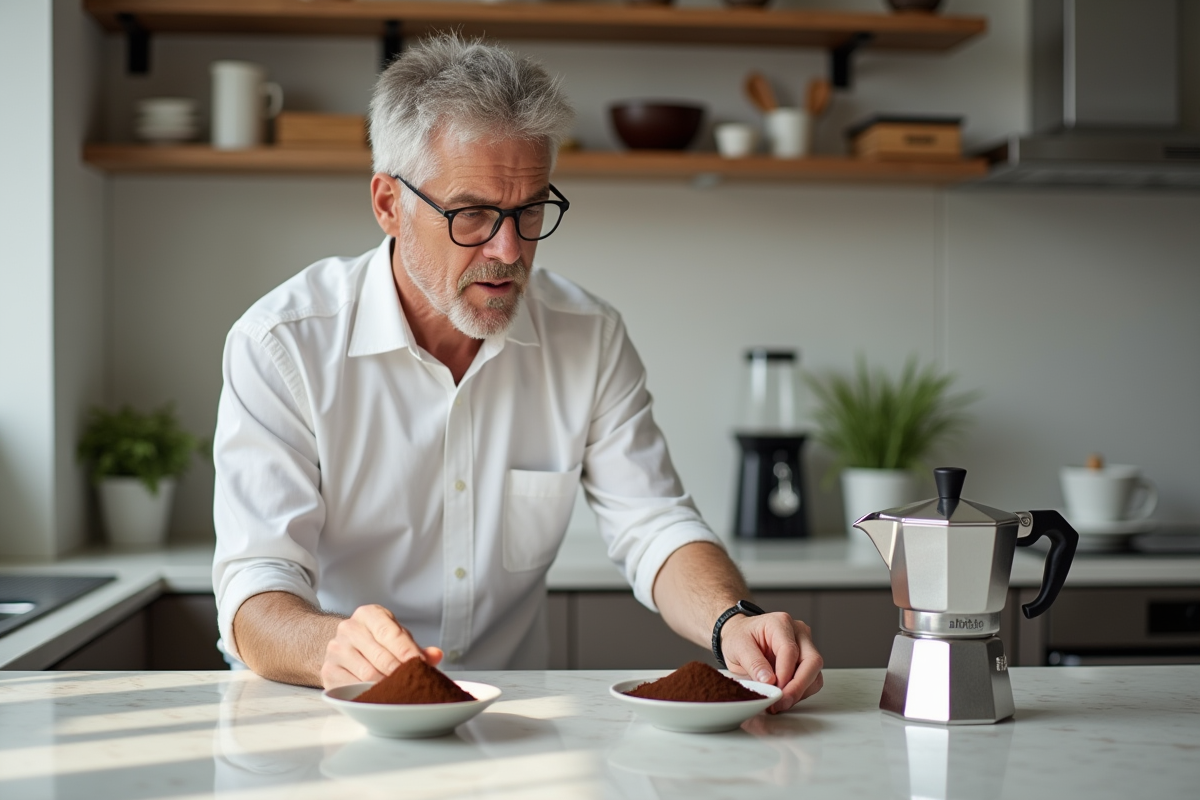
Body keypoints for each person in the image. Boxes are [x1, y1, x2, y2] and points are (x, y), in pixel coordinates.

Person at [211, 34, 823, 712]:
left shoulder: (588, 337)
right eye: (472, 213)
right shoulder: (283, 345)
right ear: (388, 204)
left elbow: (653, 523)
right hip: (323, 708)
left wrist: (732, 619)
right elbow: (254, 587)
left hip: (512, 716)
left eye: (530, 210)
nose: (508, 250)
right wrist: (333, 646)